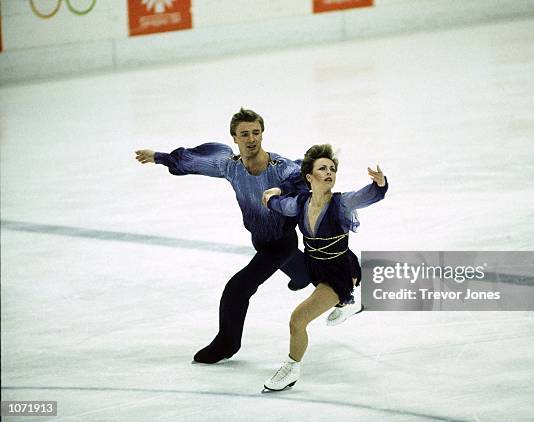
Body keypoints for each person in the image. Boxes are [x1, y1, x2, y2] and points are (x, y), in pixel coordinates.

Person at [134, 108, 311, 364]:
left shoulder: (281, 167)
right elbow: (192, 162)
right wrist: (158, 157)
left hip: (281, 241)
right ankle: (303, 274)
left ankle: (227, 344)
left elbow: (301, 181)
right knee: (300, 268)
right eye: (244, 134)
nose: (251, 139)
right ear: (234, 138)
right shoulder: (230, 166)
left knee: (236, 290)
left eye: (256, 132)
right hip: (260, 240)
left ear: (262, 134)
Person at [261, 144, 388, 391]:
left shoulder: (342, 203)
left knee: (297, 320)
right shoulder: (300, 203)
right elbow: (278, 204)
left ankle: (291, 368)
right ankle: (348, 303)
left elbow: (369, 195)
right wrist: (271, 198)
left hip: (339, 273)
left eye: (332, 169)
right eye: (322, 168)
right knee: (277, 251)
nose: (329, 172)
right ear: (310, 176)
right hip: (315, 268)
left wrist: (380, 185)